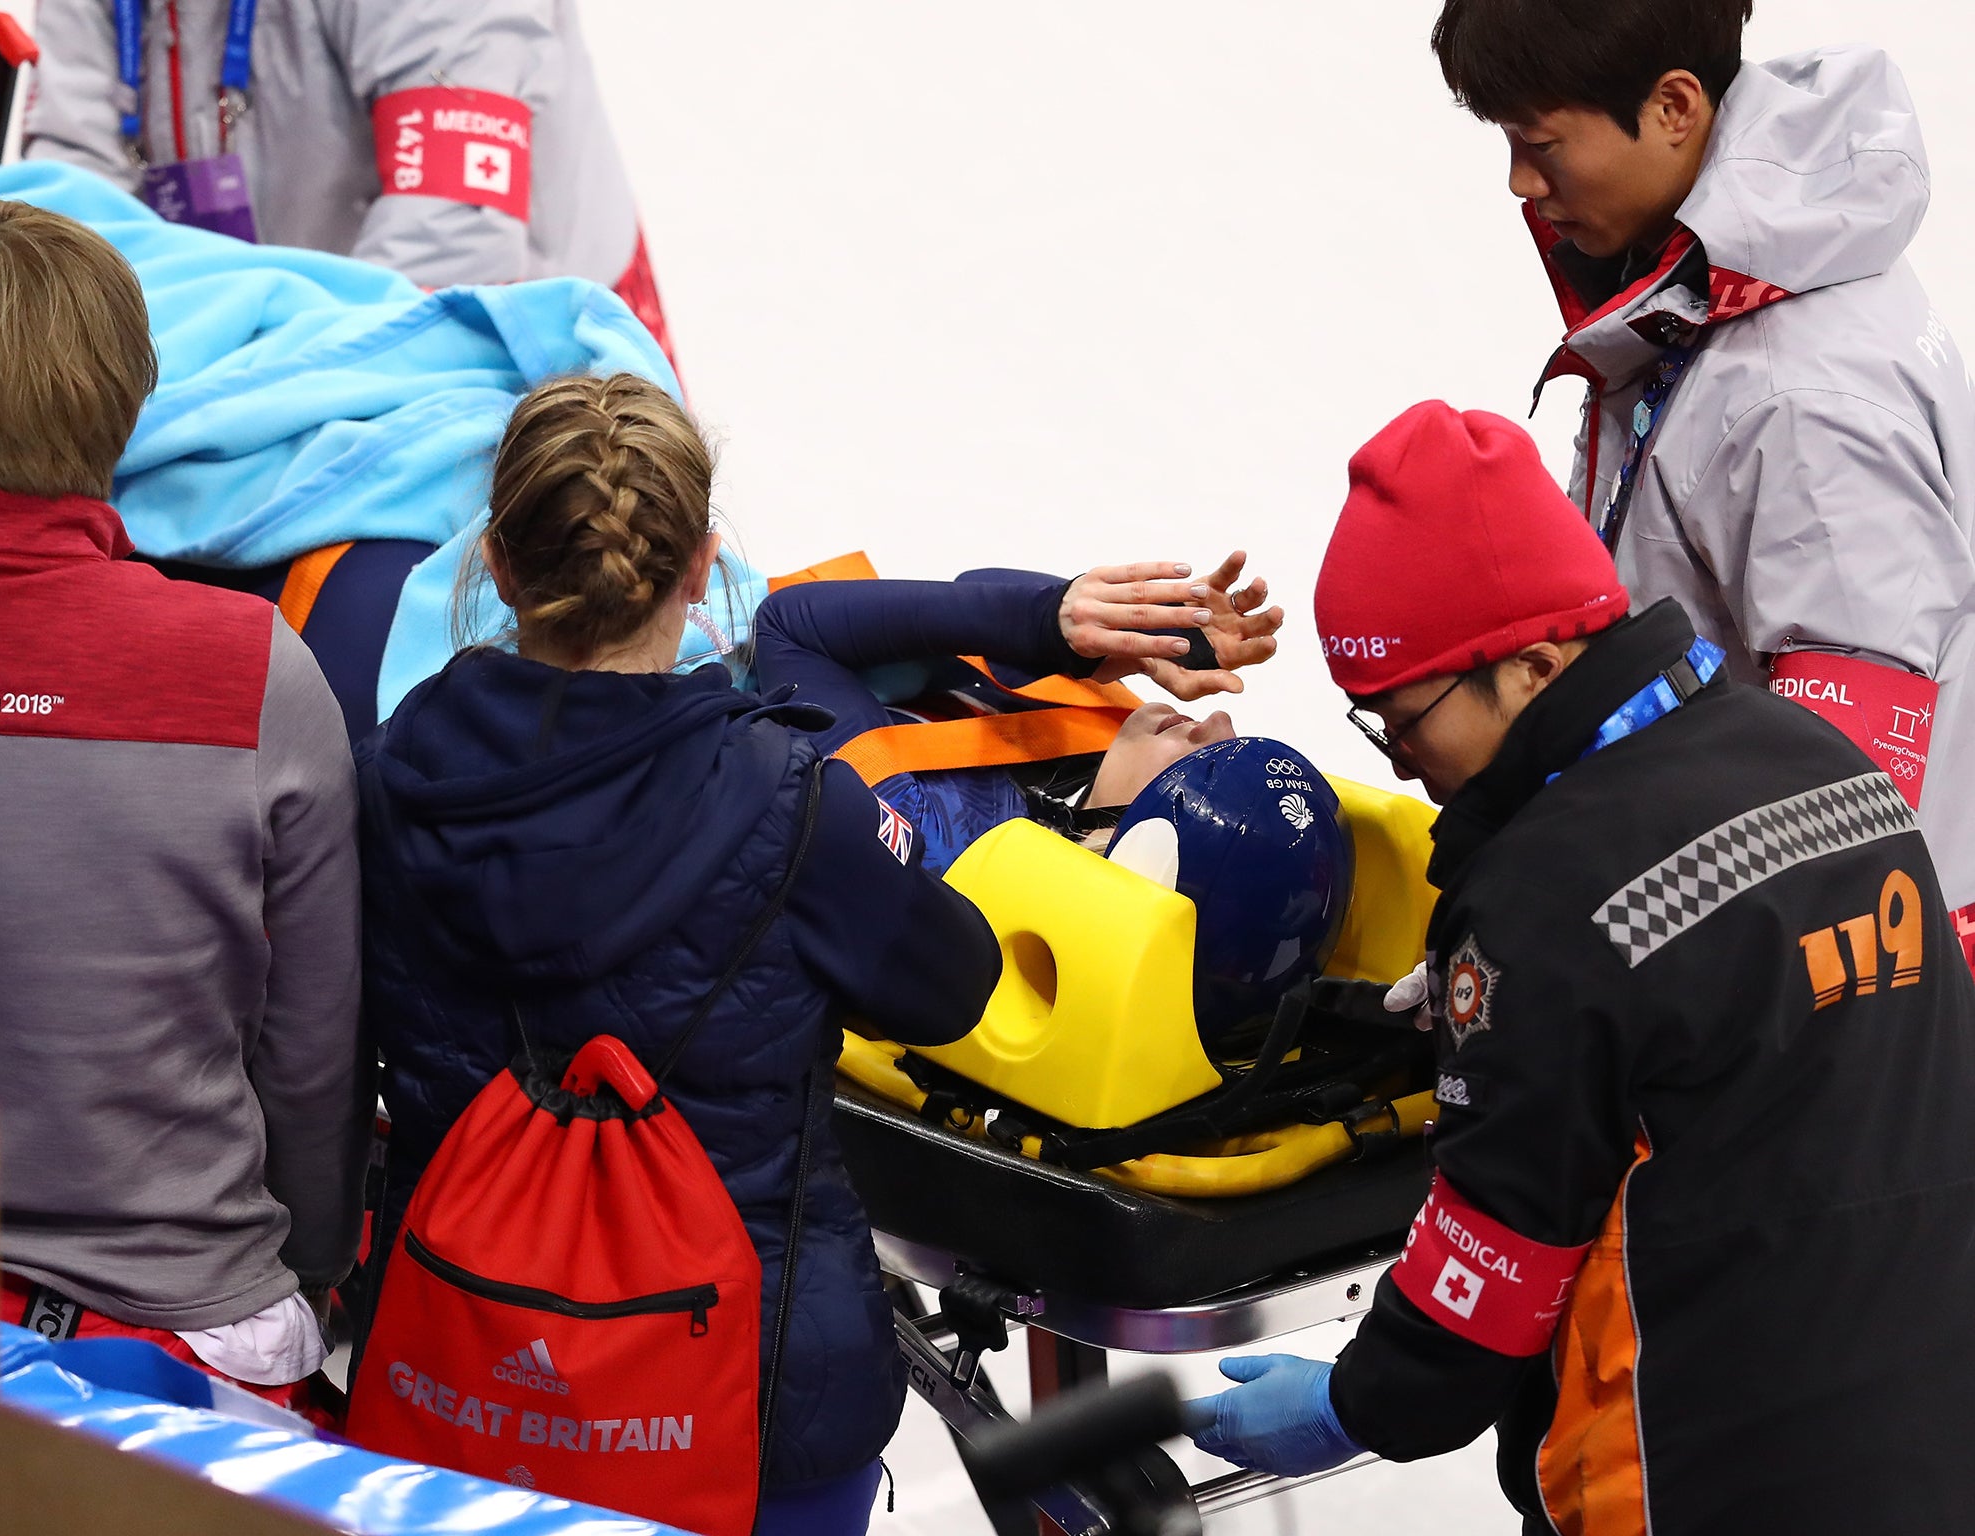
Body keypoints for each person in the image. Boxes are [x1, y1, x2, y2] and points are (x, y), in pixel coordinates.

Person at [1187, 402, 1975, 1533]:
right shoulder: (1821, 762)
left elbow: (1497, 1259)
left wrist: (1362, 1405)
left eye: (1402, 721)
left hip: (1700, 1469)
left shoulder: (1546, 897)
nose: (1404, 768)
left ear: (1534, 664)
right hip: (1927, 1435)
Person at [357, 372, 1003, 1534]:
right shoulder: (796, 802)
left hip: (461, 1367)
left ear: (495, 566)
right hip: (754, 1401)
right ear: (703, 568)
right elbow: (958, 988)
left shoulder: (387, 781)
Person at [0, 199, 366, 1411]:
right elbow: (314, 1056)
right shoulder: (252, 670)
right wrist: (317, 1267)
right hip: (175, 1337)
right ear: (121, 404)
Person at [1428, 0, 1975, 972]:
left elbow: (1848, 779)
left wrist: (1622, 989)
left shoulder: (1799, 394)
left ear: (1675, 105)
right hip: (1740, 917)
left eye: (1540, 142)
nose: (1520, 181)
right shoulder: (1707, 288)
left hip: (1815, 987)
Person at [22, 0, 675, 354]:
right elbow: (76, 183)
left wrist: (260, 389)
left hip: (523, 328)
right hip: (263, 336)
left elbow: (452, 232)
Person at [752, 555, 1284, 872]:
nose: (1220, 723)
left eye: (1210, 765)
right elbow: (977, 583)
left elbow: (788, 625)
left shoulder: (930, 836)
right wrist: (1102, 631)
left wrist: (1042, 625)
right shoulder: (1114, 743)